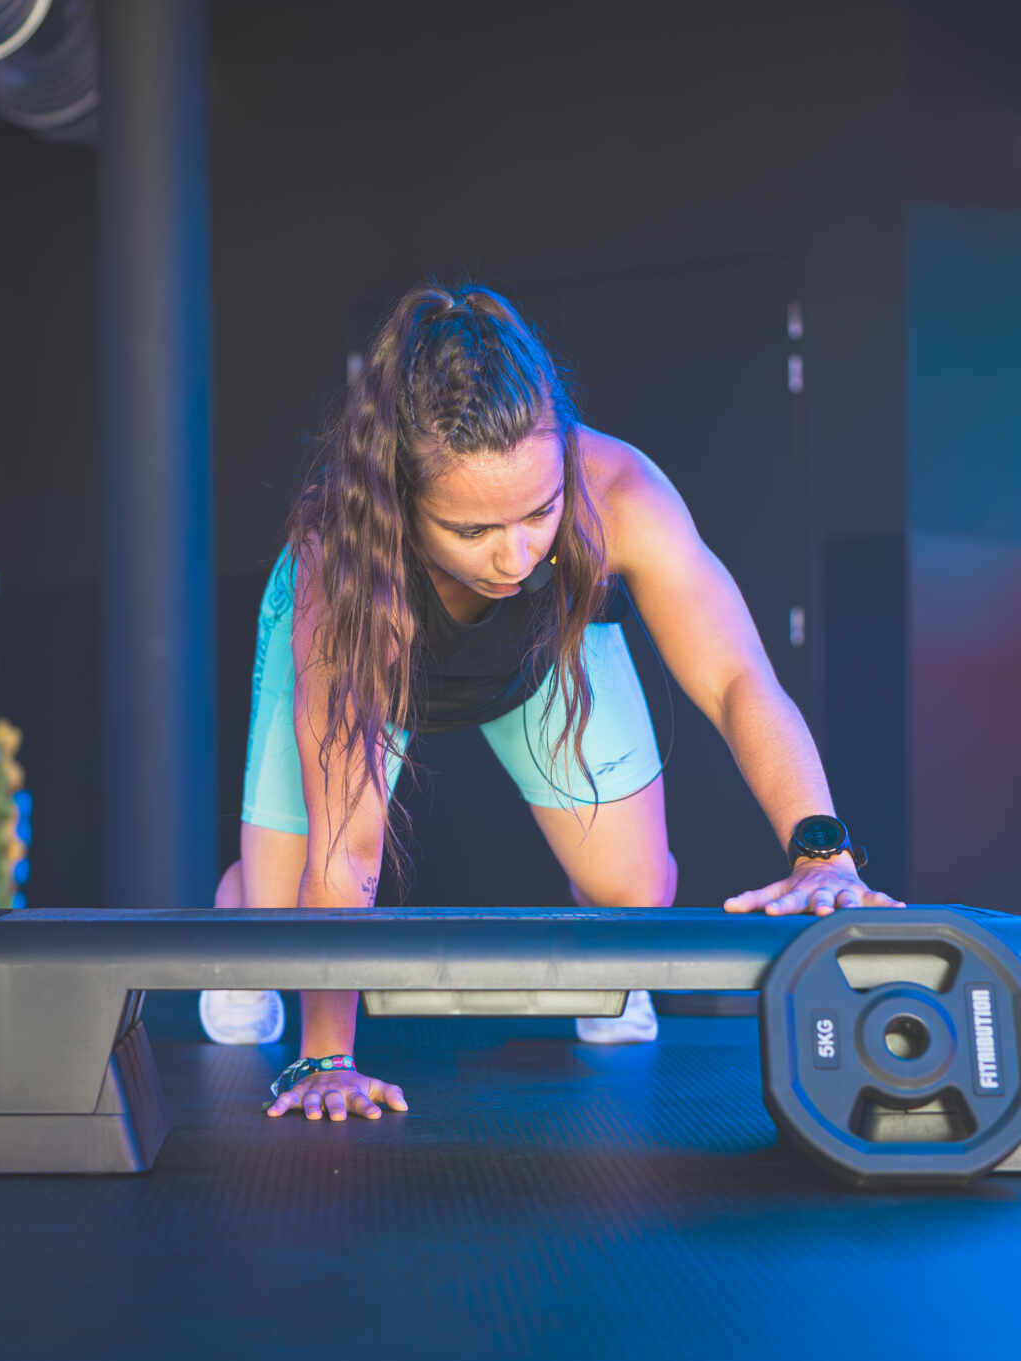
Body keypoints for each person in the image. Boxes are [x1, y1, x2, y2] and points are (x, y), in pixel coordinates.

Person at [199, 281, 902, 1124]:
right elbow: (347, 847)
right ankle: (242, 901)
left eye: (539, 511)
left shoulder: (619, 493)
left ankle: (607, 971)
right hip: (371, 644)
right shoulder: (341, 561)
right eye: (473, 530)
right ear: (404, 499)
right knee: (281, 922)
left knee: (636, 894)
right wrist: (327, 1058)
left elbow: (736, 679)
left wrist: (821, 851)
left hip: (537, 652)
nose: (516, 556)